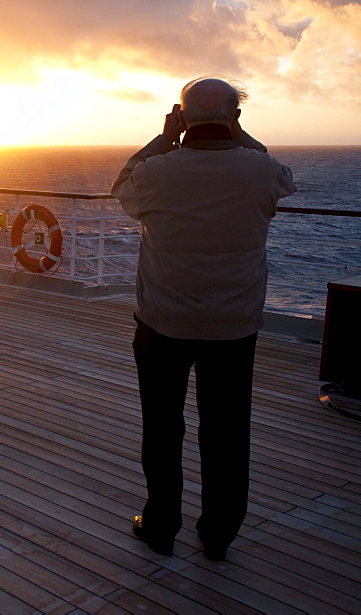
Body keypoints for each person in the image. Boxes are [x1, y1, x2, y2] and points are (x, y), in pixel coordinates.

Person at [111, 77, 296, 561]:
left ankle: (160, 527)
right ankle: (218, 534)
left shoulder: (158, 172)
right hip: (233, 326)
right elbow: (285, 178)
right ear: (235, 117)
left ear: (181, 117)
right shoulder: (259, 170)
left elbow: (121, 187)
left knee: (163, 426)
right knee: (228, 431)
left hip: (162, 321)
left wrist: (163, 138)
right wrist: (239, 133)